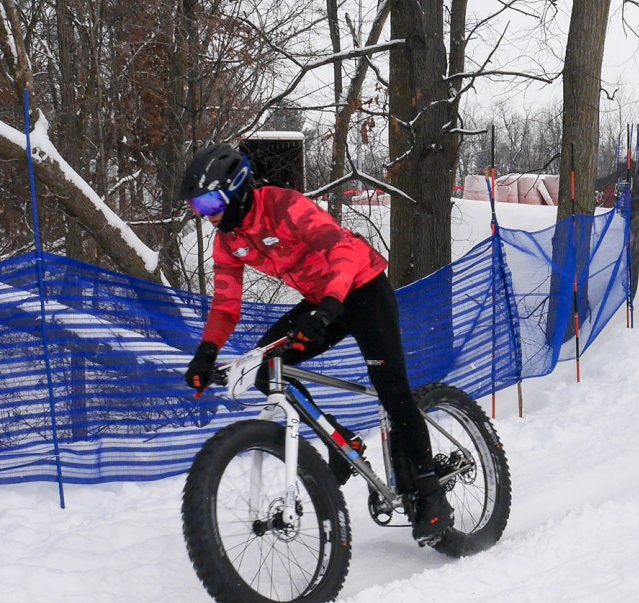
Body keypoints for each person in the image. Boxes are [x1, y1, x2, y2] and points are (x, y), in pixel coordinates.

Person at [180, 143, 454, 543]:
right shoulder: (228, 241)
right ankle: (341, 442)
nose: (206, 215)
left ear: (237, 188)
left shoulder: (283, 206)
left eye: (209, 203)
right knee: (265, 369)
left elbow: (340, 248)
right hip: (321, 301)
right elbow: (225, 305)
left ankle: (430, 491)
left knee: (391, 389)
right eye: (197, 208)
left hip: (362, 289)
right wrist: (206, 354)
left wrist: (328, 305)